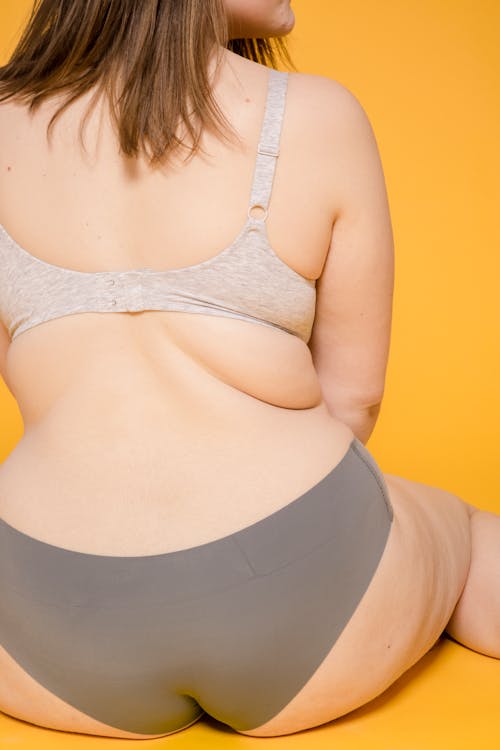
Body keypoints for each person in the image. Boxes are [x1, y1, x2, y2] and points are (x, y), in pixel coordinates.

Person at [0, 0, 498, 741]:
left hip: (38, 618)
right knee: (458, 528)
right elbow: (354, 399)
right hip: (305, 599)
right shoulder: (317, 116)